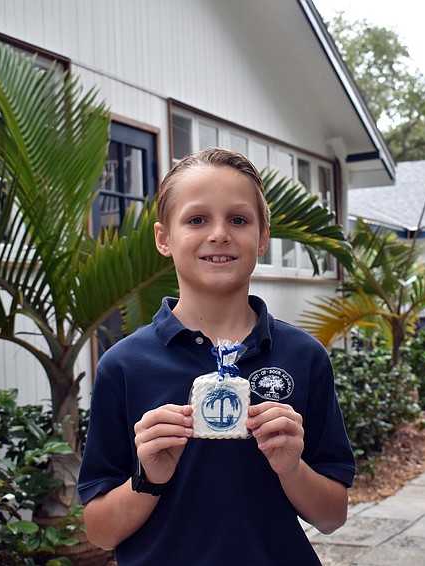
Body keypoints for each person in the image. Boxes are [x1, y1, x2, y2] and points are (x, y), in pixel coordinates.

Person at [77, 148, 355, 565]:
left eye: (239, 220)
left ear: (263, 237)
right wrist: (149, 477)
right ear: (163, 238)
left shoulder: (304, 356)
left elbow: (332, 515)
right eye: (196, 219)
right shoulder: (124, 365)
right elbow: (99, 531)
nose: (219, 234)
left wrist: (291, 468)